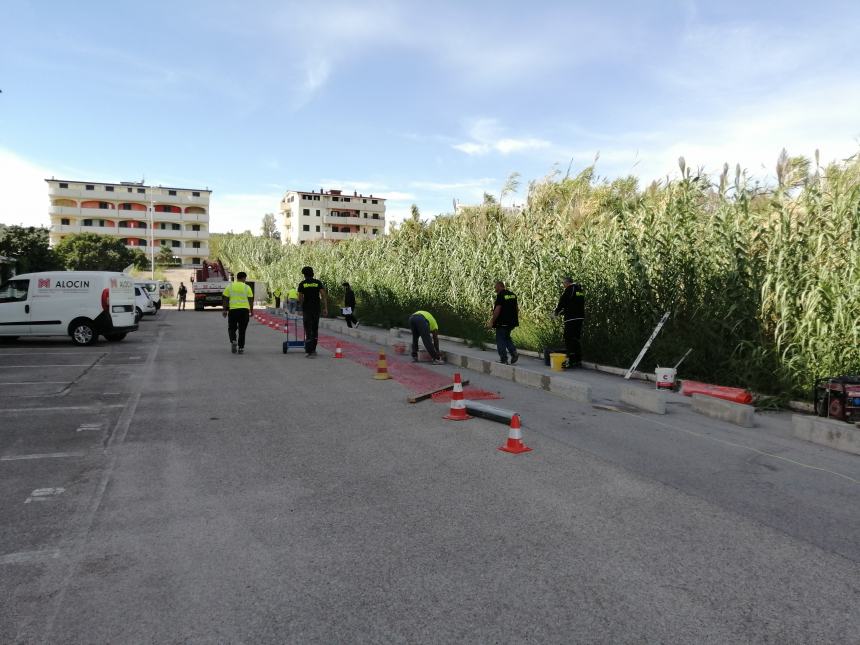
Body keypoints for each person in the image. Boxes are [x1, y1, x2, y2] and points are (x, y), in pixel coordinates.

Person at [554, 277, 585, 368]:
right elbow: (574, 304)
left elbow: (563, 301)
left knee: (568, 338)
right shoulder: (579, 290)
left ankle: (569, 362)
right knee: (575, 339)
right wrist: (564, 312)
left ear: (567, 283)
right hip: (579, 317)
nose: (563, 285)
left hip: (571, 318)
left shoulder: (570, 289)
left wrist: (556, 311)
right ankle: (578, 360)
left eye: (563, 283)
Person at [297, 266, 327, 357]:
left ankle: (309, 350)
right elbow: (323, 295)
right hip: (316, 309)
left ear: (304, 274)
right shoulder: (318, 283)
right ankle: (313, 350)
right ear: (312, 273)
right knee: (315, 329)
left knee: (308, 329)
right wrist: (325, 308)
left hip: (307, 309)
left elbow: (300, 297)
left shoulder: (302, 284)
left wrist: (300, 308)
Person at [222, 271, 254, 354]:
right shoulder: (247, 287)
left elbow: (225, 298)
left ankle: (233, 340)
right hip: (244, 311)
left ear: (237, 278)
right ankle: (241, 348)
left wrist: (224, 310)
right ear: (243, 278)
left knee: (231, 328)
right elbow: (250, 299)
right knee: (242, 330)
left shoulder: (230, 286)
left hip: (233, 311)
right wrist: (251, 310)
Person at [488, 281, 519, 364]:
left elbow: (497, 310)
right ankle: (514, 353)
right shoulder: (513, 295)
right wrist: (514, 319)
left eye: (495, 287)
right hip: (512, 322)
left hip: (502, 322)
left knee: (500, 339)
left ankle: (503, 359)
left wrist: (492, 321)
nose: (495, 289)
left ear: (499, 286)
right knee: (507, 337)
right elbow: (516, 309)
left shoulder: (500, 295)